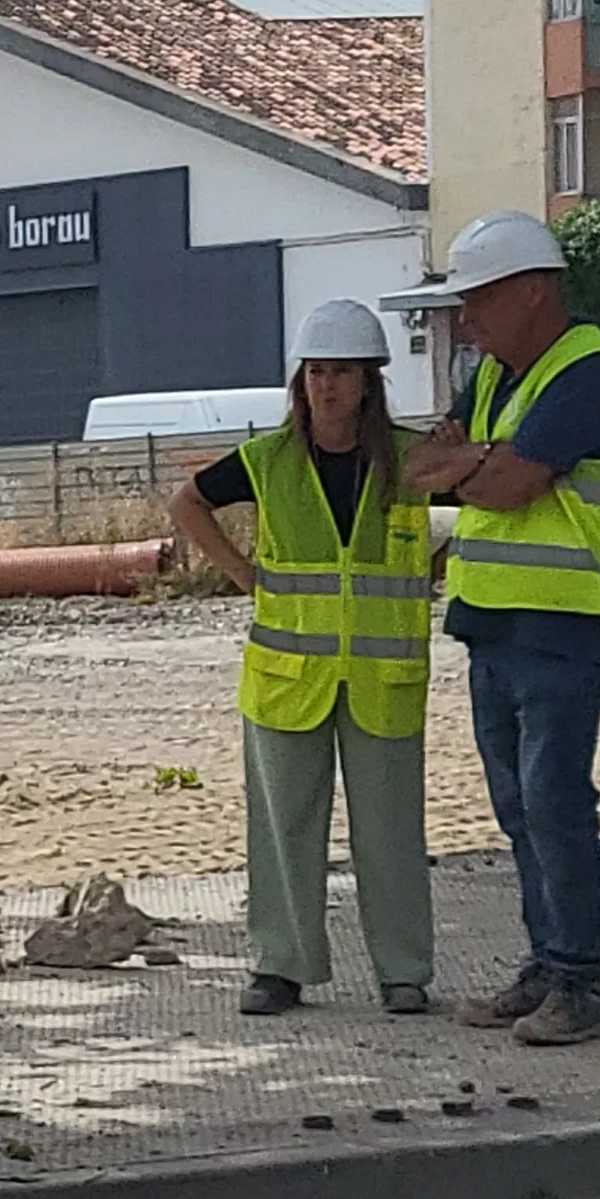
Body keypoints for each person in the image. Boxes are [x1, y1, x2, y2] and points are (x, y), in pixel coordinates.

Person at [405, 209, 600, 1046]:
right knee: (519, 807)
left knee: (554, 802)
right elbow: (426, 470)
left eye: (478, 301)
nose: (465, 320)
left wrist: (475, 464)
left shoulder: (587, 374)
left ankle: (581, 980)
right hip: (495, 621)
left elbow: (503, 486)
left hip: (566, 623)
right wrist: (485, 462)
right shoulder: (494, 379)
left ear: (534, 291)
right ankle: (549, 964)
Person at [163, 299, 439, 1018]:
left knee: (391, 832)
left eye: (342, 373)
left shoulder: (412, 460)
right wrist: (241, 574)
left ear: (369, 382)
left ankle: (404, 971)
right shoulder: (270, 460)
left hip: (383, 677)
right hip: (288, 678)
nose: (327, 386)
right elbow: (186, 503)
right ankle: (280, 966)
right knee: (284, 828)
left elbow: (471, 509)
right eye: (316, 372)